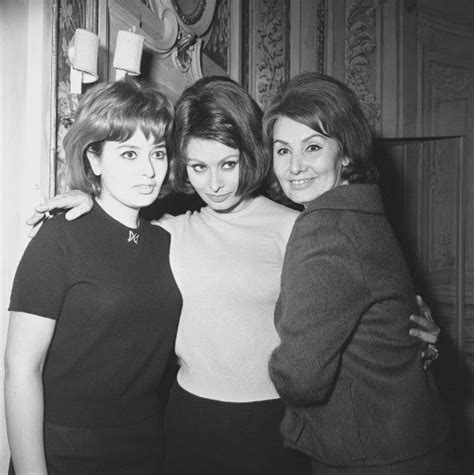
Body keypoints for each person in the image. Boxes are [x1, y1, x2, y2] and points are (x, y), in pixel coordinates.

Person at [25, 76, 441, 474]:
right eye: (198, 167)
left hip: (274, 423)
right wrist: (87, 195)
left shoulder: (300, 227)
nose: (216, 183)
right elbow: (119, 224)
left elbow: (366, 305)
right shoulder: (170, 230)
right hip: (186, 419)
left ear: (251, 153)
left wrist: (414, 332)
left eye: (228, 163)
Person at [265, 72, 454, 474]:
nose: (294, 166)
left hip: (368, 453)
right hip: (407, 437)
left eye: (312, 147)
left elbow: (300, 378)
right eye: (282, 150)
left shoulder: (324, 227)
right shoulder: (364, 212)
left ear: (346, 153)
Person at [4, 78, 182, 474]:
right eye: (129, 154)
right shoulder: (61, 236)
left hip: (146, 446)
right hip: (66, 451)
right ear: (95, 160)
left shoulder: (169, 238)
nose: (150, 170)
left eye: (158, 153)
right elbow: (21, 367)